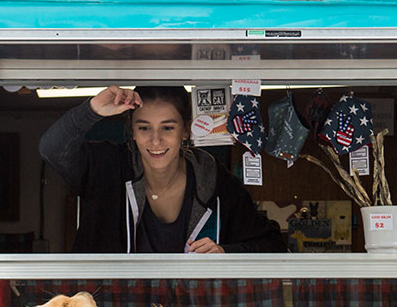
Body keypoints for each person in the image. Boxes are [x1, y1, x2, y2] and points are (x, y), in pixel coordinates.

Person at [39, 85, 286, 254]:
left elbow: (273, 244)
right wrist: (91, 110)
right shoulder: (107, 167)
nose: (155, 141)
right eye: (144, 128)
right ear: (132, 131)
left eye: (167, 128)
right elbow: (51, 148)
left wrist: (226, 251)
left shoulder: (215, 180)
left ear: (185, 130)